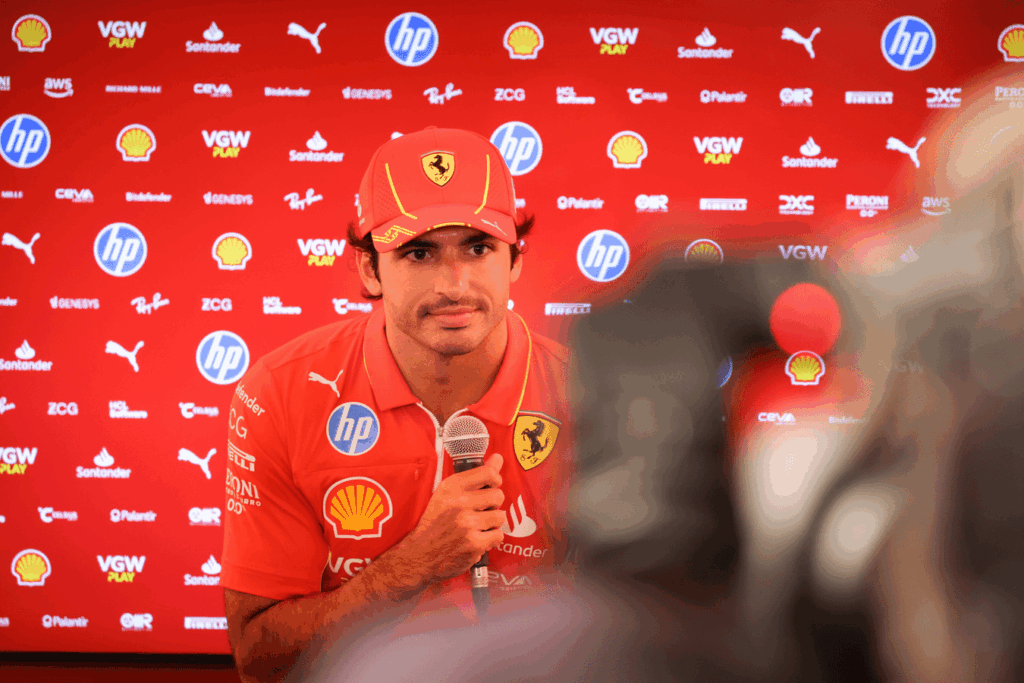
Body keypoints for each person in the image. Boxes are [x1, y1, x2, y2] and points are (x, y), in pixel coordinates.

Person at [220, 127, 573, 682]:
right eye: (419, 252)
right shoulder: (280, 393)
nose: (455, 284)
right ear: (370, 269)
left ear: (515, 260)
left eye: (478, 248)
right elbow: (260, 659)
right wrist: (409, 567)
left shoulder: (588, 395)